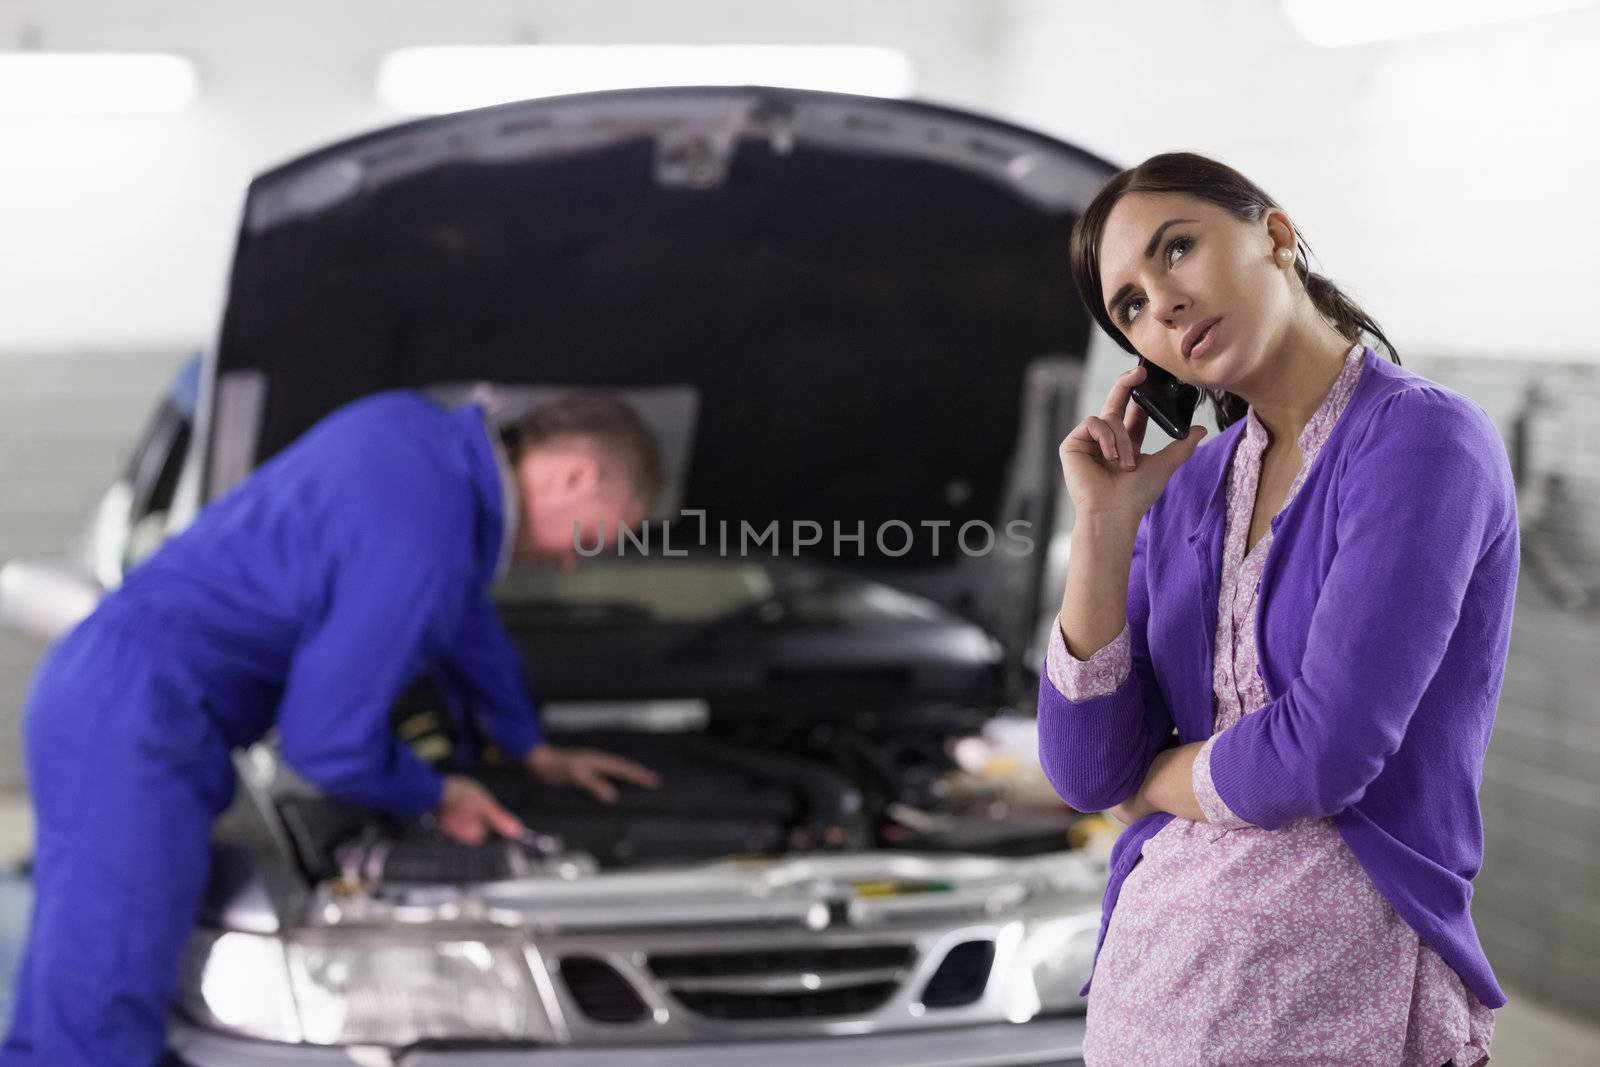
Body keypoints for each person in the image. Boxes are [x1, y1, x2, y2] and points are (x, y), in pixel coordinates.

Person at [0, 389, 665, 1066]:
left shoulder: (413, 437)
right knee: (100, 1015)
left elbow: (465, 621)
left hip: (112, 702)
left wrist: (530, 747)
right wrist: (436, 793)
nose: (574, 563)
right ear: (576, 474)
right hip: (137, 721)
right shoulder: (428, 532)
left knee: (66, 1002)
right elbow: (326, 742)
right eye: (599, 534)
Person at [1037, 152, 1516, 1066]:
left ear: (1276, 234)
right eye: (1129, 304)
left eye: (1176, 250)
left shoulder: (1422, 438)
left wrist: (1155, 783)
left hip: (1342, 997)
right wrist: (1102, 527)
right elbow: (1087, 767)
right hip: (1154, 995)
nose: (1163, 306)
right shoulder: (1189, 484)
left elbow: (1320, 755)